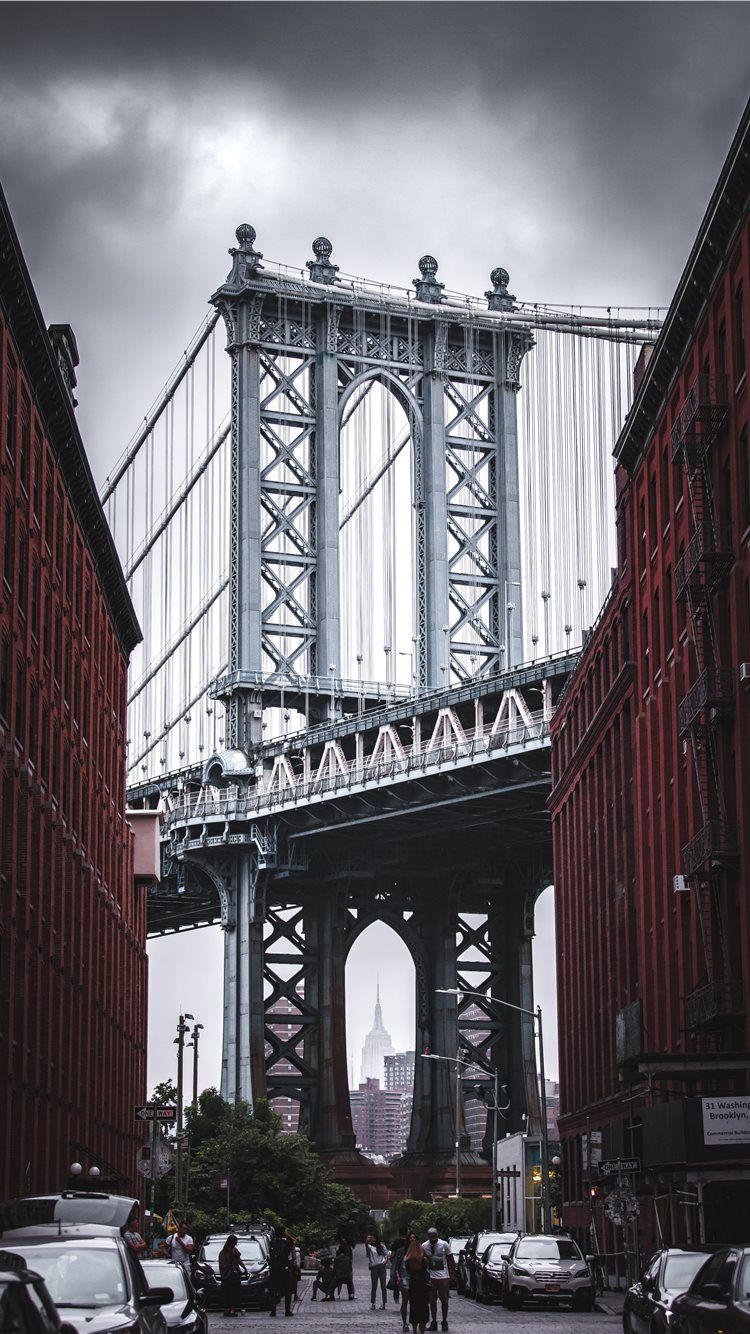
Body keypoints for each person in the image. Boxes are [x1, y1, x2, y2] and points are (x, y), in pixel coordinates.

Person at [423, 1228, 454, 1332]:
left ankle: (444, 1321)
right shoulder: (424, 1246)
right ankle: (434, 1321)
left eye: (434, 1239)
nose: (433, 1241)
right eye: (431, 1239)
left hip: (443, 1276)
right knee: (432, 1301)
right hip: (431, 1277)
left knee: (444, 1301)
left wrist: (452, 1274)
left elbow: (450, 1259)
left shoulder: (444, 1244)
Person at [403, 1237, 429, 1334]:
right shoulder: (423, 1260)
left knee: (414, 1307)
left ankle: (414, 1330)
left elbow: (407, 1272)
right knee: (423, 1307)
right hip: (422, 1284)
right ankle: (421, 1330)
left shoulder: (408, 1260)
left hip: (413, 1284)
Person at [268, 1224, 295, 1317]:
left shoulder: (272, 1242)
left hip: (274, 1269)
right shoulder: (286, 1243)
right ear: (283, 1232)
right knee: (287, 1290)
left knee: (273, 1291)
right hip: (284, 1268)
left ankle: (273, 1310)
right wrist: (287, 1235)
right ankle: (287, 1310)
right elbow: (293, 1241)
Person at [218, 1234, 248, 1317]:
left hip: (225, 1277)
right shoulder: (234, 1251)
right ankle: (232, 1309)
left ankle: (227, 1309)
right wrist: (244, 1268)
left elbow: (221, 1265)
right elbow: (238, 1261)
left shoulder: (222, 1252)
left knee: (226, 1293)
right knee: (234, 1293)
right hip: (233, 1276)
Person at [390, 1234, 409, 1330]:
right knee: (405, 1300)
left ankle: (414, 1322)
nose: (412, 1240)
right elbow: (396, 1265)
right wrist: (397, 1277)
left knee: (414, 1302)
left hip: (416, 1278)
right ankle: (405, 1323)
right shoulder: (401, 1251)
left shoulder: (419, 1249)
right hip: (404, 1277)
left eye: (414, 1238)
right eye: (411, 1238)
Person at [366, 1233, 388, 1310]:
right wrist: (367, 1241)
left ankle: (384, 1303)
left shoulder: (382, 1246)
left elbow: (386, 1254)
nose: (373, 1239)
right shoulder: (369, 1247)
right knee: (374, 1286)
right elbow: (366, 1248)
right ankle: (373, 1303)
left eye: (374, 1238)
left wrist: (385, 1262)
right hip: (374, 1267)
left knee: (383, 1286)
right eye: (372, 1238)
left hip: (381, 1267)